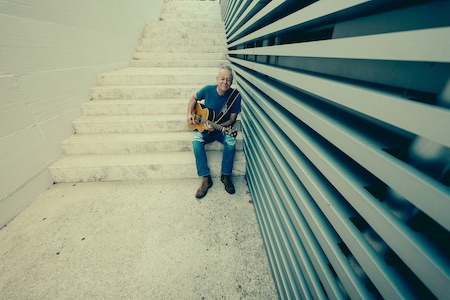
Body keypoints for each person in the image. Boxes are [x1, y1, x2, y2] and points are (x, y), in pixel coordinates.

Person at [187, 65, 242, 199]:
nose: (225, 82)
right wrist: (189, 114)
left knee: (231, 142)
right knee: (196, 142)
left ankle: (226, 176)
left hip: (221, 129)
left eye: (228, 80)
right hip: (206, 130)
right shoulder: (207, 90)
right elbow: (193, 98)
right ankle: (206, 178)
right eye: (222, 79)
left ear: (232, 81)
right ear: (217, 79)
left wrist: (217, 126)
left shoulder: (235, 96)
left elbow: (232, 120)